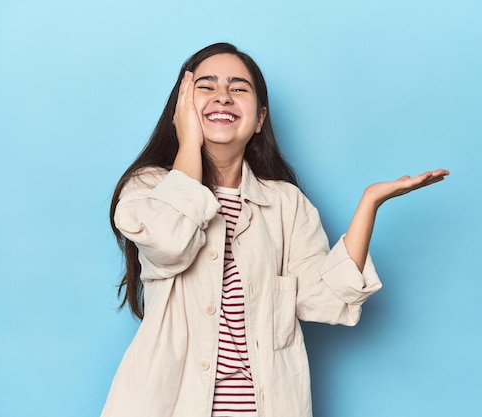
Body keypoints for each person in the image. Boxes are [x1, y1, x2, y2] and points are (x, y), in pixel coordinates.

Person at [101, 42, 448, 417]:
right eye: (206, 86)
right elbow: (170, 242)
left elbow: (326, 301)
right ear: (181, 108)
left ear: (260, 118)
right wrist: (188, 143)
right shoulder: (149, 189)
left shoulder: (286, 204)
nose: (223, 97)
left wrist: (369, 204)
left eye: (238, 88)